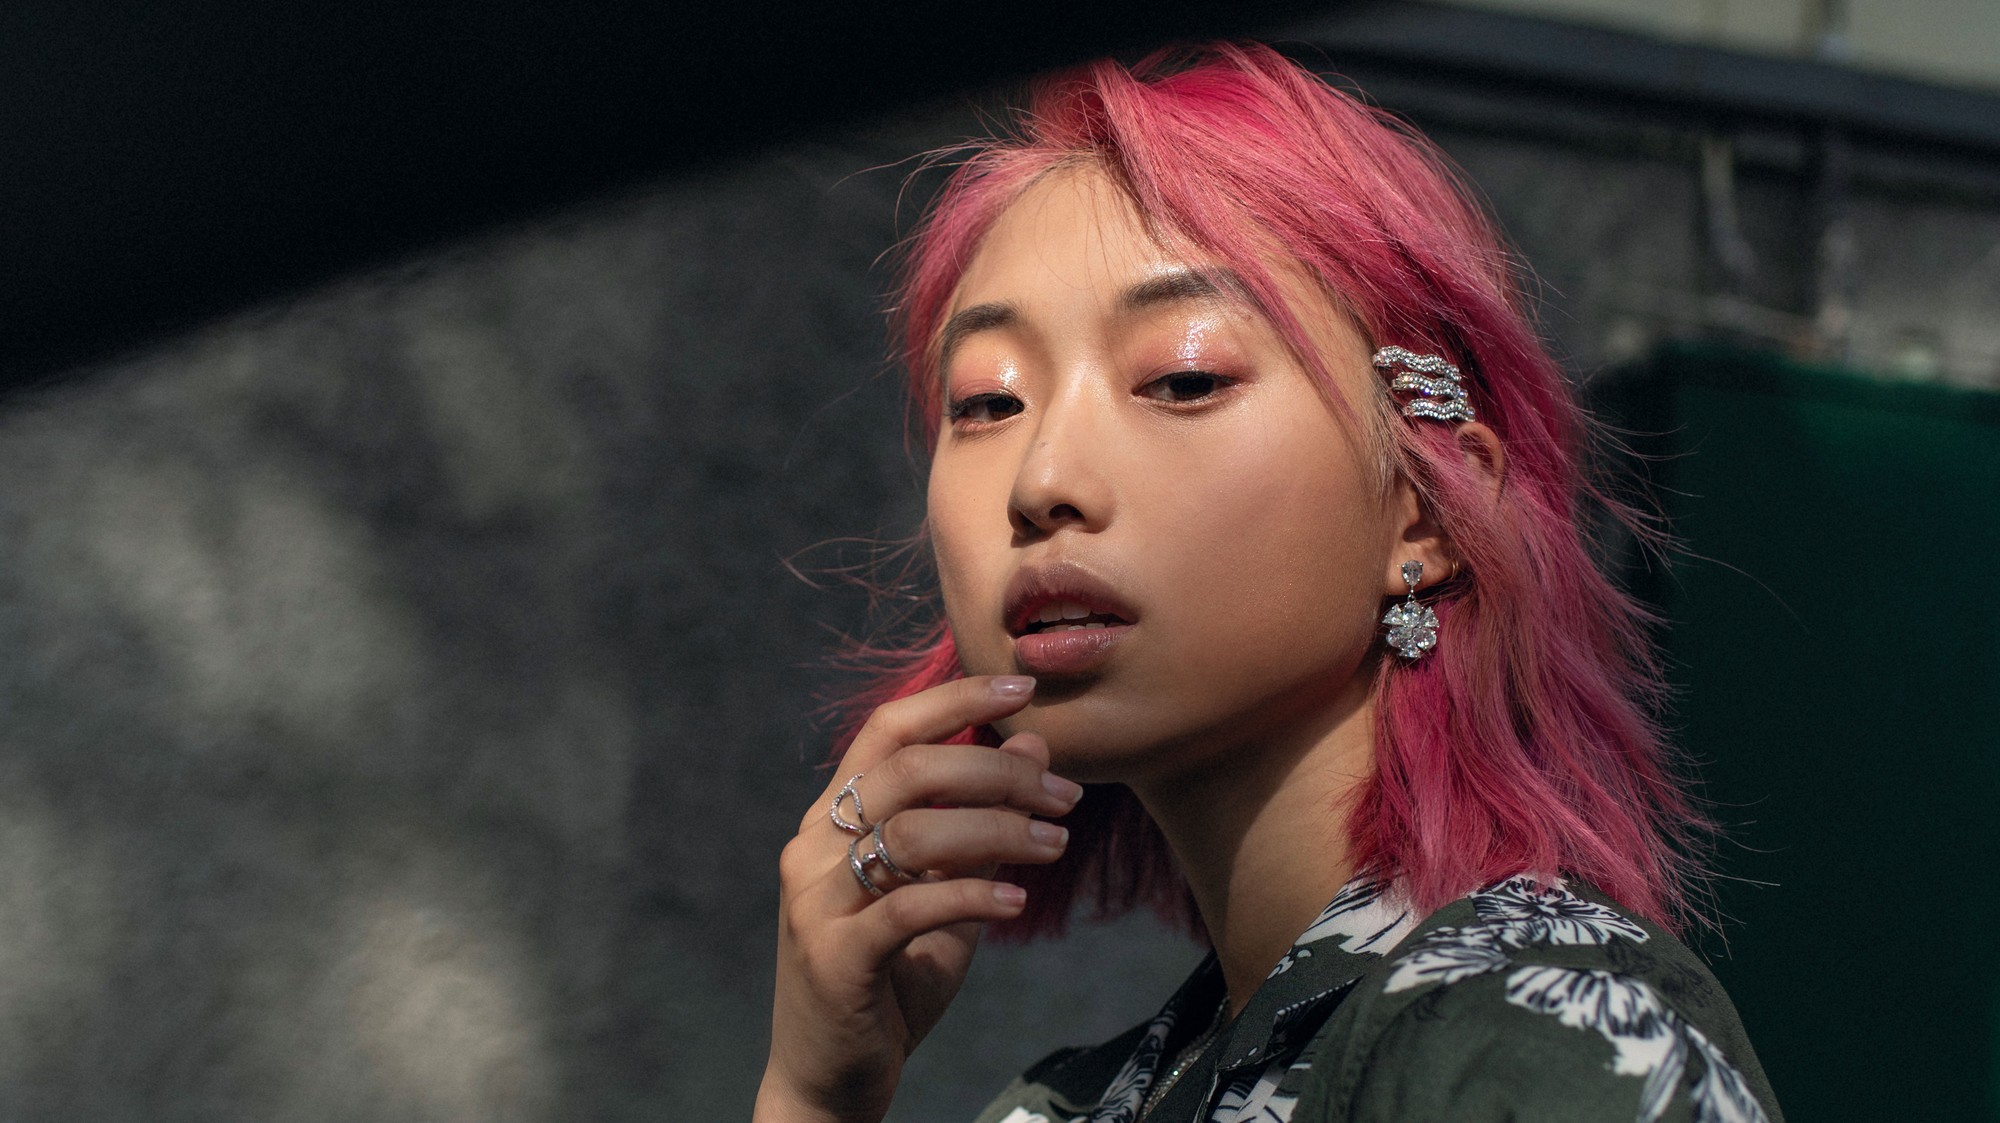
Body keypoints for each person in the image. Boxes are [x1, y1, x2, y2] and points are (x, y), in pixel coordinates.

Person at [754, 43, 1783, 1123]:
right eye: (987, 402)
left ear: (1428, 510)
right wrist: (816, 1093)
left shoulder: (1541, 1035)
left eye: (1181, 377)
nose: (1041, 481)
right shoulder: (1074, 1106)